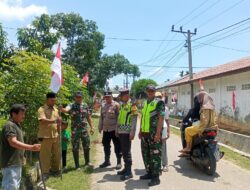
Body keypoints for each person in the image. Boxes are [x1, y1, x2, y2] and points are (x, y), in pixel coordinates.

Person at [1, 104, 40, 190]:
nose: (24, 116)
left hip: (16, 163)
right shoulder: (9, 125)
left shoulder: (16, 125)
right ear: (14, 114)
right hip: (10, 164)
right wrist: (31, 147)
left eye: (24, 114)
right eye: (22, 114)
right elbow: (13, 142)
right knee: (10, 187)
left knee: (14, 187)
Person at [139, 85, 165, 187]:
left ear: (155, 92)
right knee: (146, 154)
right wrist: (140, 130)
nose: (150, 92)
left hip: (154, 134)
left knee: (155, 155)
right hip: (145, 134)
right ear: (146, 91)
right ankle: (149, 173)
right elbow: (143, 117)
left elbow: (161, 118)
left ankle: (156, 177)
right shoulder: (145, 103)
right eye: (149, 91)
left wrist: (158, 133)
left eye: (152, 91)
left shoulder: (159, 102)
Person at [61, 91, 94, 169]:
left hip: (84, 130)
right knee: (75, 147)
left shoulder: (85, 105)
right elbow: (66, 110)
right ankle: (77, 165)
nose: (78, 98)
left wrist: (92, 127)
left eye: (80, 97)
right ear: (75, 97)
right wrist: (62, 109)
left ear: (82, 97)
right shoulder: (71, 105)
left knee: (86, 145)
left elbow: (88, 116)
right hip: (75, 131)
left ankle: (87, 162)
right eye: (77, 97)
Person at [179, 90, 218, 156]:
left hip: (203, 127)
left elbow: (204, 121)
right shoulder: (212, 108)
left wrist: (201, 129)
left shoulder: (203, 108)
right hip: (212, 127)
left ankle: (188, 148)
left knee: (187, 130)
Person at [38, 92, 61, 179]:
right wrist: (54, 121)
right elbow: (42, 120)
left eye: (54, 100)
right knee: (45, 155)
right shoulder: (41, 109)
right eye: (52, 100)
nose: (53, 102)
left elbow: (58, 122)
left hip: (55, 135)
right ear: (47, 100)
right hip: (45, 136)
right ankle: (45, 173)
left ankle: (55, 170)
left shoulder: (56, 109)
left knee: (57, 154)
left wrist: (59, 128)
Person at [116, 88, 138, 180]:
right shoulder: (121, 105)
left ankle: (129, 172)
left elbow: (134, 120)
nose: (121, 97)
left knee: (127, 151)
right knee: (123, 151)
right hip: (121, 132)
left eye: (122, 95)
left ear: (127, 95)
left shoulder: (132, 105)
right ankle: (126, 168)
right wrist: (117, 130)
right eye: (120, 95)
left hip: (127, 132)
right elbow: (119, 118)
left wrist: (132, 132)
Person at [98, 91, 122, 169]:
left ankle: (119, 162)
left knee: (117, 146)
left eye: (109, 96)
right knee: (106, 145)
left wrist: (117, 129)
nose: (107, 98)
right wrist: (100, 126)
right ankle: (107, 161)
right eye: (106, 97)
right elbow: (101, 117)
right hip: (106, 130)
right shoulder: (103, 105)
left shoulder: (116, 105)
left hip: (114, 129)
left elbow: (119, 117)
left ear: (111, 96)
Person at [155, 92, 170, 172]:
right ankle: (156, 165)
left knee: (163, 147)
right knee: (155, 148)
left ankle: (165, 164)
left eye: (159, 97)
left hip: (163, 129)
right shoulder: (152, 106)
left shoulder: (165, 108)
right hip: (153, 129)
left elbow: (167, 120)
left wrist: (168, 131)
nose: (158, 98)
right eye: (156, 97)